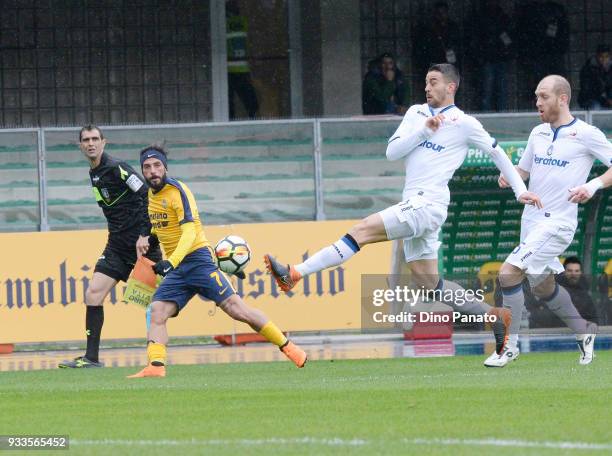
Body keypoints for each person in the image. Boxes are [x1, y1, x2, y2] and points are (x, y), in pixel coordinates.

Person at [265, 63, 543, 357]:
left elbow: (497, 153)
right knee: (429, 283)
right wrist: (423, 131)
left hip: (427, 203)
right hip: (417, 203)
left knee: (361, 231)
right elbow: (392, 152)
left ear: (451, 87)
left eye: (434, 82)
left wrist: (520, 190)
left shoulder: (464, 123)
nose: (427, 87)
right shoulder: (416, 114)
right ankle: (495, 317)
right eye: (425, 82)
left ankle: (294, 273)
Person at [127, 146, 306, 378]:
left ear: (165, 167)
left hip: (198, 260)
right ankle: (156, 367)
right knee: (157, 311)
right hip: (178, 267)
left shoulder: (178, 191)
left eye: (157, 165)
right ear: (143, 171)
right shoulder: (151, 196)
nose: (153, 171)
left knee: (237, 310)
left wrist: (170, 261)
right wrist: (147, 238)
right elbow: (160, 225)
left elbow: (190, 232)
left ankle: (290, 348)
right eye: (147, 167)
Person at [485, 75, 612, 367]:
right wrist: (511, 176)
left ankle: (508, 346)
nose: (537, 102)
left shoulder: (586, 133)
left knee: (507, 274)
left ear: (562, 98)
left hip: (557, 225)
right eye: (536, 96)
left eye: (543, 96)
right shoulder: (538, 133)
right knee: (542, 287)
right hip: (531, 223)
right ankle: (584, 331)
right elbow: (525, 170)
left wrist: (591, 186)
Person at [59, 126, 162, 369]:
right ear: (80, 145)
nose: (91, 143)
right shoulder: (94, 173)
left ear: (104, 142)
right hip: (116, 246)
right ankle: (91, 358)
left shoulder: (118, 168)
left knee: (154, 305)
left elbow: (148, 194)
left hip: (141, 248)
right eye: (86, 140)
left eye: (95, 139)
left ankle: (156, 359)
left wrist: (144, 235)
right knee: (93, 294)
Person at [469, 0, 514, 111]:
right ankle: (486, 115)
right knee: (487, 90)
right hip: (487, 58)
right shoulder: (480, 17)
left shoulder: (502, 17)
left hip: (499, 57)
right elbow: (476, 39)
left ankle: (501, 113)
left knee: (501, 90)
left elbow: (509, 37)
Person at [226, 0, 259, 119]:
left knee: (231, 104)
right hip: (233, 69)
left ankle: (252, 120)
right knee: (248, 102)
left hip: (234, 68)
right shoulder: (228, 18)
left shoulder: (238, 19)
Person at [413, 2, 462, 76]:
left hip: (450, 63)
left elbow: (458, 44)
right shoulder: (429, 29)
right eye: (439, 13)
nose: (441, 16)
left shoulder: (453, 28)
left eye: (443, 12)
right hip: (435, 63)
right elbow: (425, 47)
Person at [556, 257, 598, 323]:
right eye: (570, 271)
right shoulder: (554, 290)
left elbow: (594, 319)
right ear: (564, 272)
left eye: (577, 271)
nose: (573, 274)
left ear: (581, 272)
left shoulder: (585, 293)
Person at [578, 44, 612, 110]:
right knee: (595, 108)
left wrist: (610, 98)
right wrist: (605, 100)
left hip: (606, 100)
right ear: (596, 56)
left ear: (610, 57)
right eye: (601, 57)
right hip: (590, 100)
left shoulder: (610, 69)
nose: (604, 59)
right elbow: (588, 91)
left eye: (606, 57)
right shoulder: (588, 69)